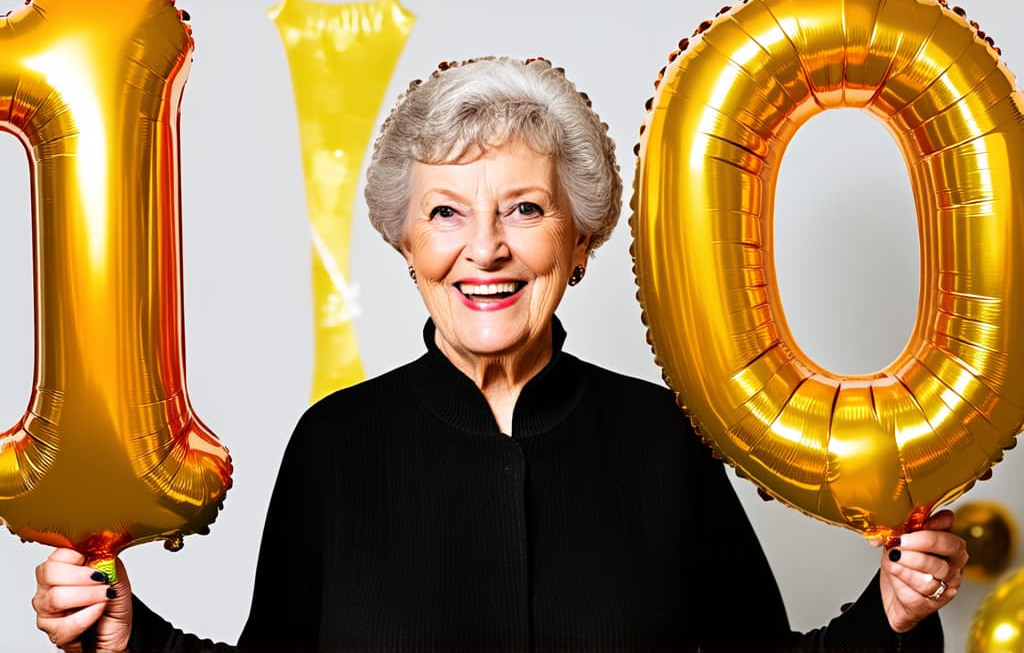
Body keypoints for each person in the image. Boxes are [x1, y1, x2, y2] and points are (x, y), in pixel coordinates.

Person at [32, 56, 967, 652]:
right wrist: (127, 638)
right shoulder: (336, 445)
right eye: (447, 212)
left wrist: (891, 612)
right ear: (406, 243)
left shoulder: (662, 436)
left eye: (523, 208)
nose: (485, 249)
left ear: (578, 239)